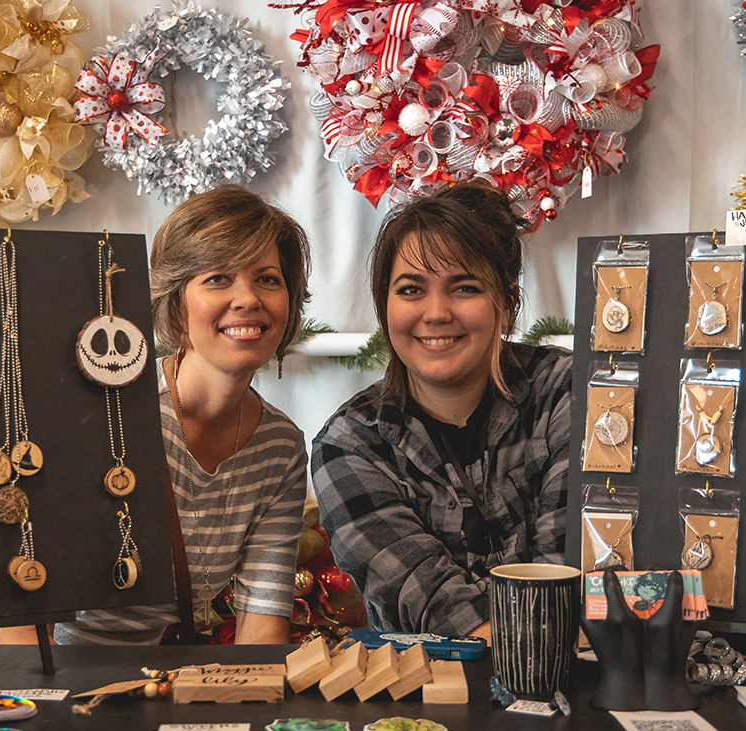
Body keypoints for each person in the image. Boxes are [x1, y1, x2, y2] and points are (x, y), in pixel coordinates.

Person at [311, 181, 571, 640]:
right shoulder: (349, 445)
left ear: (507, 302)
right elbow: (434, 605)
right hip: (429, 682)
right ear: (384, 306)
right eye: (411, 289)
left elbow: (572, 578)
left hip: (571, 675)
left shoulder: (567, 392)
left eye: (465, 288)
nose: (436, 313)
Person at [55, 185, 311, 645]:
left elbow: (262, 627)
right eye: (217, 278)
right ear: (175, 303)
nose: (248, 299)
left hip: (142, 675)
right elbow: (16, 594)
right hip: (27, 666)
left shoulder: (280, 448)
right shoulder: (109, 412)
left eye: (268, 279)